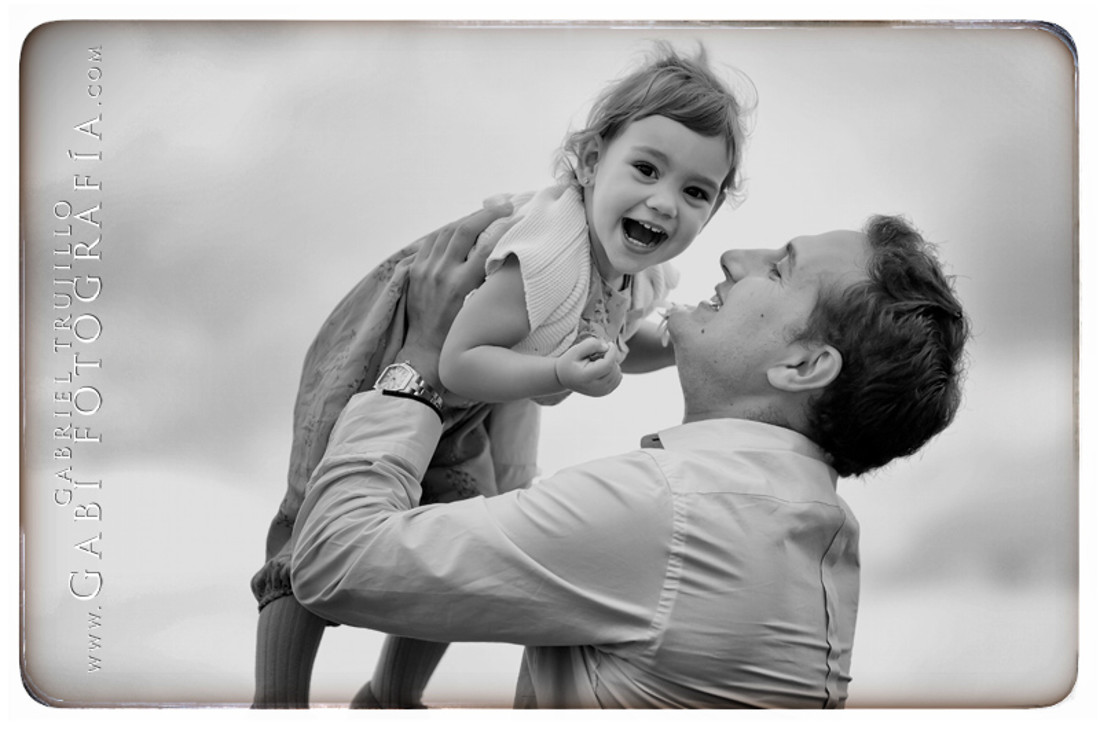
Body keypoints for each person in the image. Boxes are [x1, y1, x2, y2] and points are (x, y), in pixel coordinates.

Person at [288, 205, 970, 709]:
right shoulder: (789, 522)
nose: (736, 256)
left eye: (780, 267)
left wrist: (420, 365)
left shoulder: (670, 512)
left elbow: (331, 560)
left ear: (803, 365)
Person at [251, 43, 751, 708]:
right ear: (593, 161)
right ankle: (275, 702)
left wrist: (693, 344)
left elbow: (627, 338)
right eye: (646, 169)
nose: (664, 204)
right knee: (319, 508)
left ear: (712, 209)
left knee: (462, 525)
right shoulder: (547, 254)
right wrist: (557, 371)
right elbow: (456, 357)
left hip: (475, 396)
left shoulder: (637, 273)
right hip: (390, 358)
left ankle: (389, 697)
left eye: (694, 192)